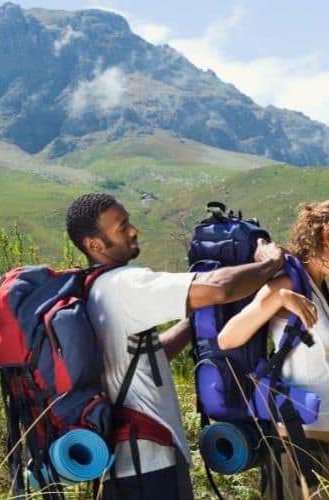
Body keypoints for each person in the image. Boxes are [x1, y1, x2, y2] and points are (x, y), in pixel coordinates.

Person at [65, 193, 316, 500]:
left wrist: (197, 323)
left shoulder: (92, 287)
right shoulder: (124, 285)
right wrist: (270, 263)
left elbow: (150, 356)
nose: (133, 230)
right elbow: (219, 287)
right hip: (150, 466)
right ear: (94, 244)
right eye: (121, 226)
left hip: (124, 464)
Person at [217, 199, 329, 499]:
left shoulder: (315, 288)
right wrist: (280, 298)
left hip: (318, 444)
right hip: (293, 446)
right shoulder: (288, 283)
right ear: (325, 242)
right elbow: (227, 338)